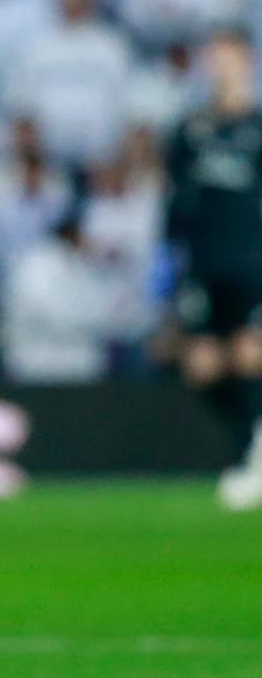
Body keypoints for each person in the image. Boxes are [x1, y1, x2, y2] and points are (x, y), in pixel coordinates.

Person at [164, 29, 262, 511]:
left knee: (249, 354)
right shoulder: (189, 130)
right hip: (203, 261)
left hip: (252, 259)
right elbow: (174, 202)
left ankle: (250, 459)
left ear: (246, 60)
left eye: (227, 54)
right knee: (201, 367)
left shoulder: (258, 127)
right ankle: (250, 446)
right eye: (213, 55)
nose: (218, 63)